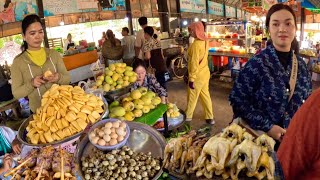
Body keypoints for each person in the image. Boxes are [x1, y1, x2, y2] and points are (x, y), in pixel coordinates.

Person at [229, 4, 312, 143]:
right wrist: (268, 127)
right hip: (258, 145)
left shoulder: (302, 67)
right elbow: (237, 101)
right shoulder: (256, 64)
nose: (282, 29)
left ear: (295, 29)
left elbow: (307, 106)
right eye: (275, 24)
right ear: (269, 30)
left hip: (291, 144)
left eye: (288, 23)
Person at [11, 14, 70, 113]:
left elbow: (67, 79)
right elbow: (16, 93)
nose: (38, 36)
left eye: (40, 32)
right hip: (39, 113)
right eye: (32, 33)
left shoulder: (53, 54)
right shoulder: (18, 62)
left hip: (62, 109)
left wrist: (58, 77)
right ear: (24, 36)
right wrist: (32, 84)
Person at [277, 89, 320, 179]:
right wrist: (268, 127)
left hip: (287, 138)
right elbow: (282, 170)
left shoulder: (305, 77)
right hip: (258, 137)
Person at [185, 22, 214, 125]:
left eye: (191, 30)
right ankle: (210, 117)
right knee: (205, 96)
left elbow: (194, 63)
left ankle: (187, 117)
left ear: (196, 31)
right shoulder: (206, 40)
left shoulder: (196, 45)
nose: (190, 32)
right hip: (205, 74)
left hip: (197, 76)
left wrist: (191, 79)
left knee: (192, 97)